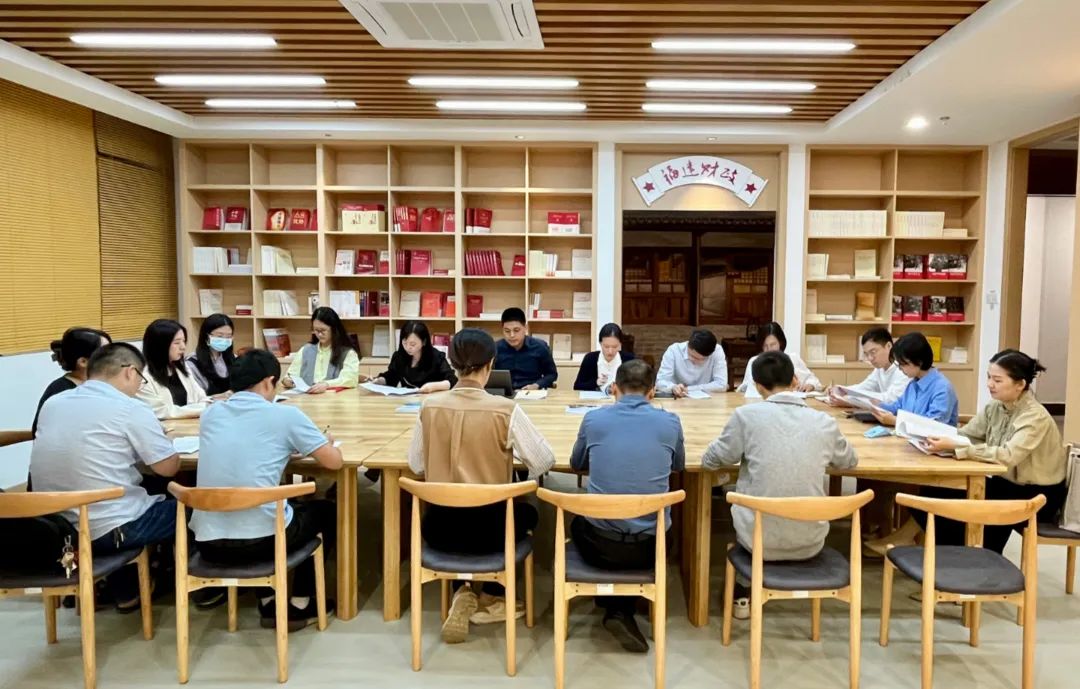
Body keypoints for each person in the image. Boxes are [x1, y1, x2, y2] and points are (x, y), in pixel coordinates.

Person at [407, 328, 555, 644]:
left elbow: (416, 465)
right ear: (490, 364)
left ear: (451, 362)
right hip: (491, 534)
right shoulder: (506, 409)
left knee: (457, 512)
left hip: (438, 529)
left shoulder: (429, 407)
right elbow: (543, 461)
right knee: (527, 512)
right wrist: (514, 474)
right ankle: (491, 595)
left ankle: (462, 590)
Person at [191, 349, 343, 630]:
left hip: (208, 544)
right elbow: (334, 462)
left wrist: (283, 449)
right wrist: (325, 442)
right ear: (268, 381)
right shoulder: (285, 415)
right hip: (262, 541)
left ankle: (267, 600)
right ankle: (301, 603)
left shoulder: (210, 415)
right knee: (325, 511)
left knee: (262, 505)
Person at [702, 351, 857, 619]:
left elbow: (712, 460)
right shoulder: (823, 421)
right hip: (811, 541)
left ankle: (744, 585)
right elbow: (849, 461)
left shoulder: (746, 416)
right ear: (795, 380)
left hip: (757, 540)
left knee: (746, 502)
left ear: (758, 385)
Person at [31, 343, 180, 611]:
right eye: (141, 378)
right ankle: (175, 584)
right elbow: (168, 468)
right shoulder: (131, 408)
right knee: (191, 509)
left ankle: (125, 590)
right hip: (110, 528)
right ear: (130, 372)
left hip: (57, 528)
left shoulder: (53, 403)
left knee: (127, 494)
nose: (140, 386)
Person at [569, 359, 684, 652]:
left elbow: (576, 463)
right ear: (652, 392)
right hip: (652, 548)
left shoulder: (594, 420)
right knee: (662, 523)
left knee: (579, 522)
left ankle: (614, 606)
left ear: (614, 389)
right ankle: (621, 608)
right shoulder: (670, 422)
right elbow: (678, 465)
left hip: (600, 546)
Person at [919, 350, 1066, 553]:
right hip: (1005, 483)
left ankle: (974, 553)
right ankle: (957, 551)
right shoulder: (995, 406)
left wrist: (959, 448)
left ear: (1020, 384)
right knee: (933, 490)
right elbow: (968, 434)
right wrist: (933, 435)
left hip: (1037, 494)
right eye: (989, 377)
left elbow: (1008, 456)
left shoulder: (1035, 417)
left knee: (955, 500)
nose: (989, 384)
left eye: (997, 380)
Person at [32, 327, 112, 436]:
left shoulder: (104, 384)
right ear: (83, 362)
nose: (114, 357)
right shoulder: (60, 391)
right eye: (105, 353)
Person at [870, 332, 959, 427]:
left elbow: (934, 426)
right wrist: (877, 405)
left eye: (903, 364)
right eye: (898, 364)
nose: (900, 368)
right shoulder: (913, 384)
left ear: (919, 361)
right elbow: (897, 407)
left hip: (932, 436)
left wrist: (896, 421)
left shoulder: (942, 388)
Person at [137, 319, 210, 419]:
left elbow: (202, 398)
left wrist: (205, 406)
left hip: (191, 425)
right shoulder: (142, 377)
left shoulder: (181, 367)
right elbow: (163, 412)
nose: (183, 347)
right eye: (177, 343)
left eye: (184, 341)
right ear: (159, 345)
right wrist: (202, 408)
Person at [361, 320, 456, 393]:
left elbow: (452, 380)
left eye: (412, 344)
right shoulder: (399, 356)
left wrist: (432, 387)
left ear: (424, 342)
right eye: (404, 343)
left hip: (432, 401)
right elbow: (391, 377)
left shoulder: (436, 357)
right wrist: (379, 381)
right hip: (406, 402)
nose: (408, 347)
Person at [283, 306, 360, 393]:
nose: (319, 334)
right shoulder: (306, 350)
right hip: (307, 397)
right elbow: (291, 374)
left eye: (323, 330)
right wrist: (287, 380)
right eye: (316, 330)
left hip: (334, 399)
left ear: (334, 329)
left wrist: (327, 384)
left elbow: (350, 379)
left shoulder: (347, 353)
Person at [827, 327, 909, 407]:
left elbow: (890, 399)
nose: (870, 358)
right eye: (866, 354)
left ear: (888, 346)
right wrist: (840, 390)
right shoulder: (879, 368)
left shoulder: (904, 369)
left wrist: (850, 401)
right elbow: (864, 388)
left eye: (873, 352)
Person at [737, 322, 821, 396]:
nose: (769, 350)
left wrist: (810, 385)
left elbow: (814, 380)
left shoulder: (793, 359)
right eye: (765, 346)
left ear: (780, 343)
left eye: (773, 345)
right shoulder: (754, 361)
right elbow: (744, 388)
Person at [494, 307, 558, 390]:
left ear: (525, 328)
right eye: (507, 331)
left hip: (531, 392)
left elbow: (552, 374)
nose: (512, 335)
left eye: (516, 330)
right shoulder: (495, 348)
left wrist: (537, 385)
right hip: (504, 393)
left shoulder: (540, 347)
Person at [655, 328, 728, 398]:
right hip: (678, 399)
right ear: (688, 345)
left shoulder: (717, 351)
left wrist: (688, 389)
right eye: (693, 357)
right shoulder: (674, 351)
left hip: (708, 400)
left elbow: (721, 384)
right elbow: (660, 381)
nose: (696, 361)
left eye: (702, 359)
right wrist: (672, 387)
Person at [573, 322, 636, 393]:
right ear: (600, 343)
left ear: (620, 344)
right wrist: (595, 382)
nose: (610, 351)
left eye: (615, 347)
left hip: (621, 399)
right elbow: (577, 386)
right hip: (595, 399)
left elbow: (637, 387)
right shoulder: (590, 358)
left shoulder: (629, 360)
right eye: (606, 346)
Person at [186, 313, 235, 397]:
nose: (224, 340)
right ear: (206, 336)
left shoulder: (234, 358)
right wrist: (221, 396)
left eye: (228, 337)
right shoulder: (192, 364)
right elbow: (195, 398)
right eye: (220, 336)